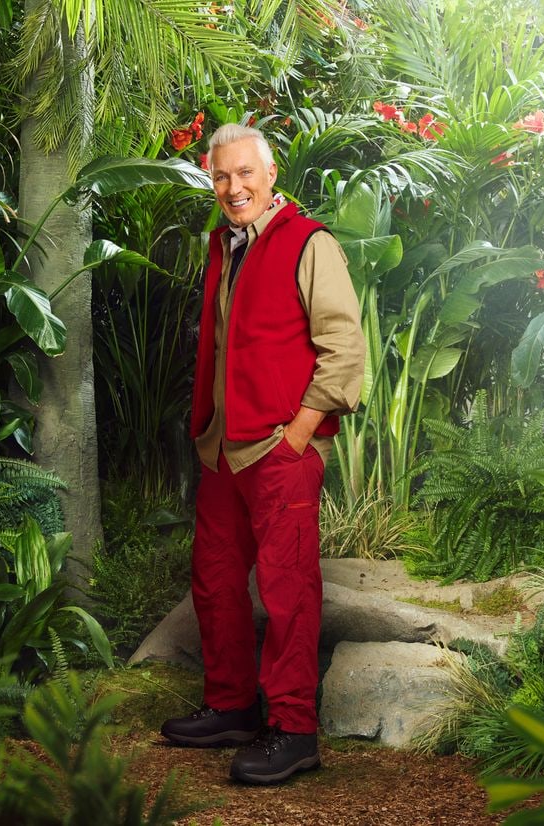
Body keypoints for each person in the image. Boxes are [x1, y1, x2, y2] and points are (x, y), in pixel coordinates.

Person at [159, 123, 366, 785]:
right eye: (221, 176)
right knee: (216, 581)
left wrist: (300, 431)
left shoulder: (311, 243)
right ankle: (232, 706)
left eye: (245, 173)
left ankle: (293, 730)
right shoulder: (226, 245)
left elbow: (344, 348)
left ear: (271, 175)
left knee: (288, 593)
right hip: (224, 447)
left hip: (279, 447)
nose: (233, 187)